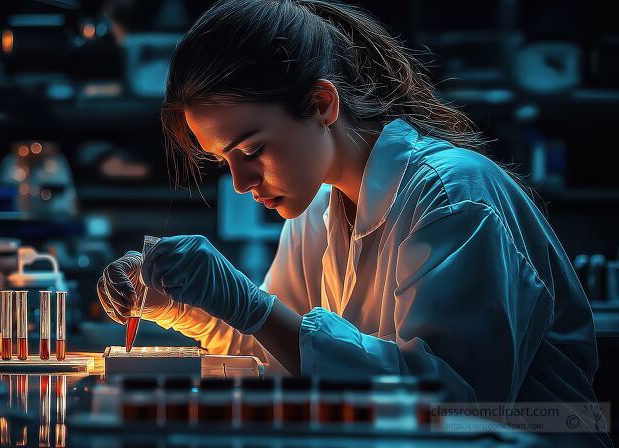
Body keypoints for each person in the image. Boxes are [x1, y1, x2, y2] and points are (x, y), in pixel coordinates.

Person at [97, 0, 608, 443]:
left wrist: (249, 305)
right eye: (224, 161)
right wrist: (188, 307)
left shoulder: (453, 197)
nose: (240, 182)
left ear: (321, 105)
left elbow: (455, 409)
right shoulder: (317, 208)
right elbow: (279, 356)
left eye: (252, 150)